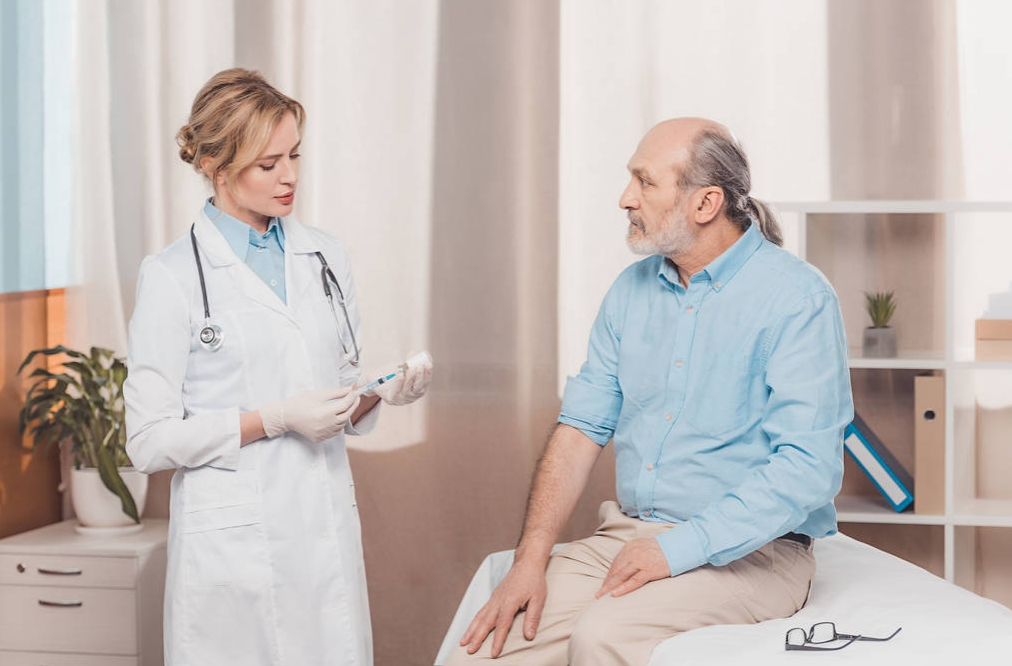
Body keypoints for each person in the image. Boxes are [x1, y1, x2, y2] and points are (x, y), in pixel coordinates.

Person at [446, 117, 853, 666]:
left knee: (603, 636)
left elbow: (808, 468)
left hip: (757, 551)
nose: (625, 198)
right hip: (631, 535)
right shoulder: (628, 292)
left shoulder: (798, 298)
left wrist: (675, 550)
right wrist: (529, 560)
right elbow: (580, 430)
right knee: (483, 648)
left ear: (705, 203)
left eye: (645, 182)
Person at [124, 68, 431, 666]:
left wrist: (379, 391)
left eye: (294, 155)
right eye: (268, 164)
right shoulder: (171, 277)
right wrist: (272, 419)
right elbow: (148, 441)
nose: (290, 176)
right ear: (215, 164)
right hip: (232, 548)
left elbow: (332, 396)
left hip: (322, 533)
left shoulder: (324, 254)